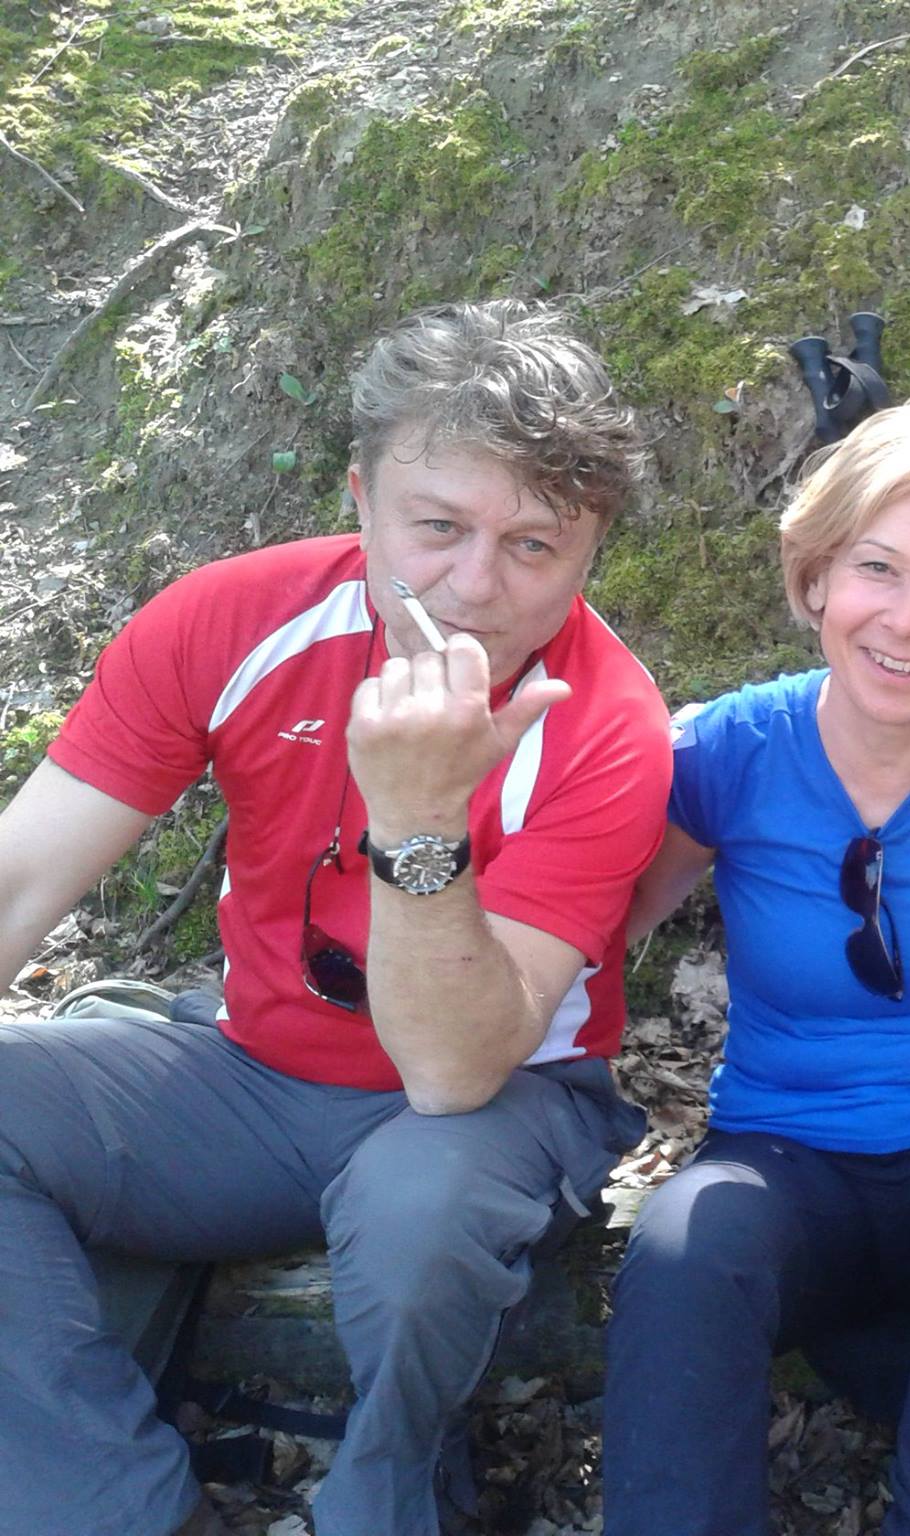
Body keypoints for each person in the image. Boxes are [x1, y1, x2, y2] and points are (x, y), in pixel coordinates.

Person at [0, 300, 672, 1536]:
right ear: (360, 499)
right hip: (253, 1072)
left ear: (590, 551)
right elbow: (24, 876)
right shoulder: (230, 620)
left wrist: (418, 820)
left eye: (533, 545)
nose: (473, 586)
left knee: (420, 1228)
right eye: (437, 527)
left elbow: (453, 1072)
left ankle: (387, 1492)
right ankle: (115, 1508)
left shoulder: (607, 727)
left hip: (496, 1101)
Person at [603, 393, 910, 1536]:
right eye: (878, 568)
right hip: (785, 1159)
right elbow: (588, 934)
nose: (908, 621)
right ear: (818, 573)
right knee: (683, 1250)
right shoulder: (728, 752)